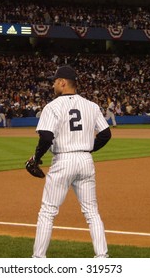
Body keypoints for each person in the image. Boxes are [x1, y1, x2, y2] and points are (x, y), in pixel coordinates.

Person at [28, 65, 111, 258]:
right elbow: (106, 134)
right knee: (92, 212)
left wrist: (36, 158)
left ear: (63, 83)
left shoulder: (52, 106)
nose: (53, 84)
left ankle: (38, 259)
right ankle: (102, 257)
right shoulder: (91, 105)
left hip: (64, 160)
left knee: (48, 212)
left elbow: (46, 137)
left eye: (55, 81)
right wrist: (89, 148)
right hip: (85, 160)